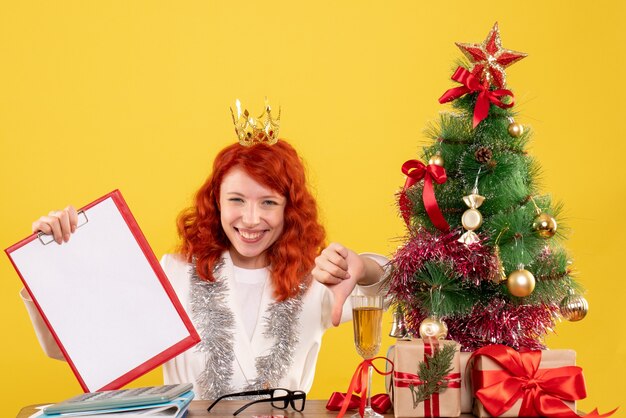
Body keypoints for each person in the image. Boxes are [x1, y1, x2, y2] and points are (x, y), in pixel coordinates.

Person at [22, 104, 388, 400]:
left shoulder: (317, 277)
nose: (251, 218)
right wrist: (51, 259)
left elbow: (398, 286)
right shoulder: (177, 271)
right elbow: (72, 348)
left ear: (289, 209)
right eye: (237, 200)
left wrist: (362, 267)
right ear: (215, 202)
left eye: (268, 203)